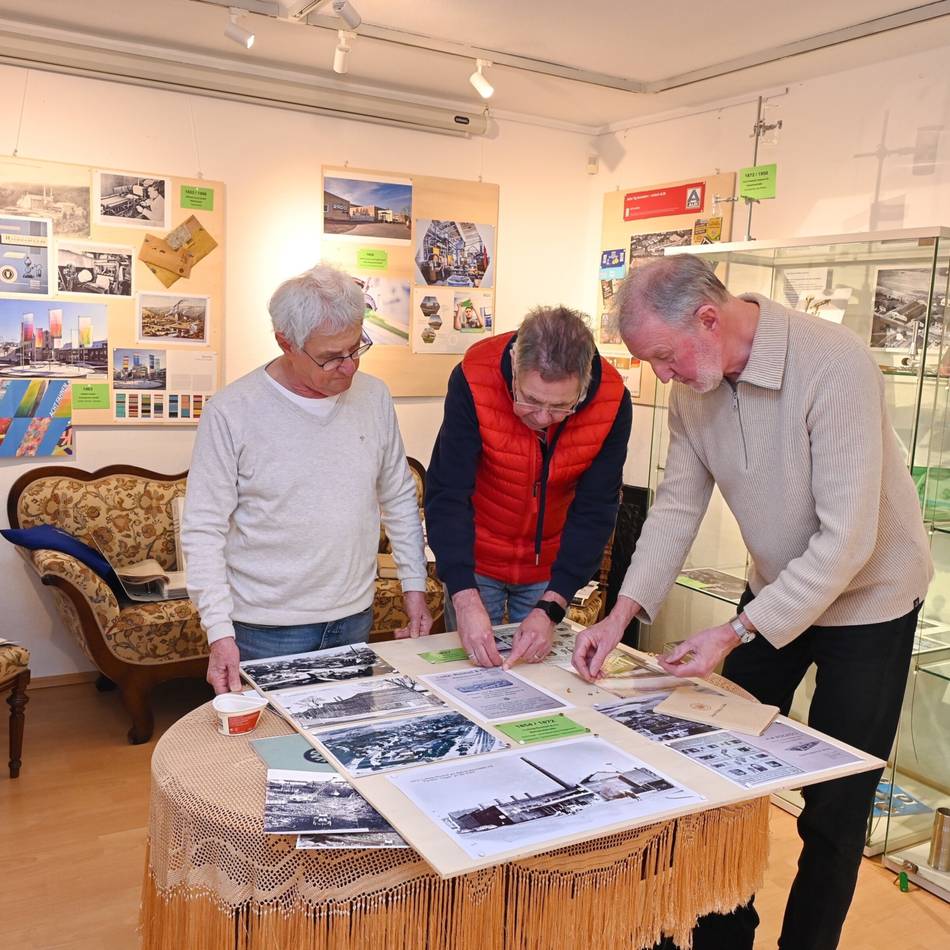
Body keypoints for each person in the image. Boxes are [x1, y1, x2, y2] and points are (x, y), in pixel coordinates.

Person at [573, 255, 933, 950]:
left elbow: (847, 540)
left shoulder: (834, 364)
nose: (661, 375)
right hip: (776, 590)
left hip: (870, 601)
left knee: (835, 808)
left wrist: (736, 631)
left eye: (662, 356)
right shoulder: (693, 390)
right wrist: (619, 615)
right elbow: (676, 508)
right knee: (717, 767)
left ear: (709, 318)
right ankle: (722, 936)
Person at [182, 264, 433, 695]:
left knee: (344, 742)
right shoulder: (232, 411)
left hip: (354, 615)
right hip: (266, 628)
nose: (349, 368)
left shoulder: (373, 397)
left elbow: (398, 497)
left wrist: (415, 588)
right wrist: (219, 631)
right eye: (332, 357)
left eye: (356, 348)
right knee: (270, 751)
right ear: (285, 342)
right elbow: (203, 529)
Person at [426, 305, 632, 669]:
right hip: (476, 559)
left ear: (584, 387)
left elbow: (595, 509)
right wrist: (462, 594)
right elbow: (448, 491)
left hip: (550, 567)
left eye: (560, 407)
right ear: (514, 369)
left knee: (539, 677)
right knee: (473, 674)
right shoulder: (475, 377)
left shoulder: (612, 400)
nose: (542, 418)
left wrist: (553, 604)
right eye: (531, 400)